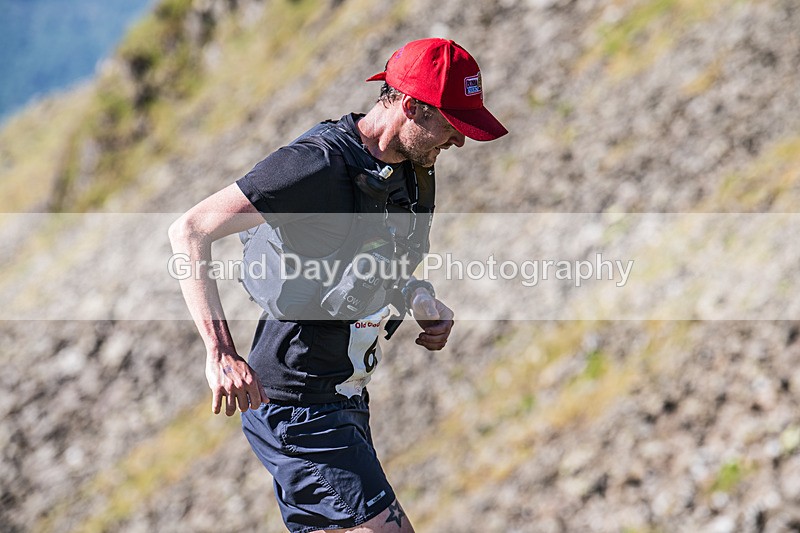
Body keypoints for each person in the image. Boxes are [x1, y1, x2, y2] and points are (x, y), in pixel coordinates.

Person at [168, 38, 507, 533]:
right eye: (453, 127)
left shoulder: (410, 168)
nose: (459, 142)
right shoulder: (317, 164)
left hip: (346, 398)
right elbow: (190, 230)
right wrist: (220, 353)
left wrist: (418, 297)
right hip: (297, 406)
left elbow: (372, 261)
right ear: (412, 108)